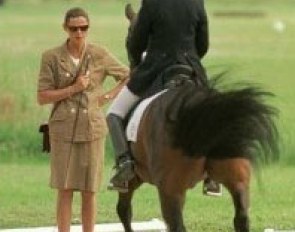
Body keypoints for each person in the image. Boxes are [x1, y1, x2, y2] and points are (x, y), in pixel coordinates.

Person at [106, 0, 221, 196]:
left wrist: (138, 61)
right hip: (191, 69)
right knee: (217, 114)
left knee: (114, 114)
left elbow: (137, 43)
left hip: (154, 69)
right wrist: (190, 59)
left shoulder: (151, 3)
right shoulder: (196, 3)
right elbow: (203, 44)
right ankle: (213, 172)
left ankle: (125, 164)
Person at [37, 7, 129, 232]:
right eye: (74, 28)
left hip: (92, 129)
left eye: (83, 28)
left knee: (89, 190)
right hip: (62, 130)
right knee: (65, 188)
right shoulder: (51, 57)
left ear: (88, 28)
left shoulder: (99, 54)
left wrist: (106, 96)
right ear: (65, 28)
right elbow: (42, 96)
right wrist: (73, 88)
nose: (79, 33)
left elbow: (128, 76)